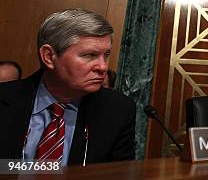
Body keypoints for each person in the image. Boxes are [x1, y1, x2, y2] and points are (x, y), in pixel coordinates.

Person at [0, 9, 136, 165]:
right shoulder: (5, 99)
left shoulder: (118, 110)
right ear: (49, 57)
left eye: (106, 55)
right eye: (89, 55)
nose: (103, 67)